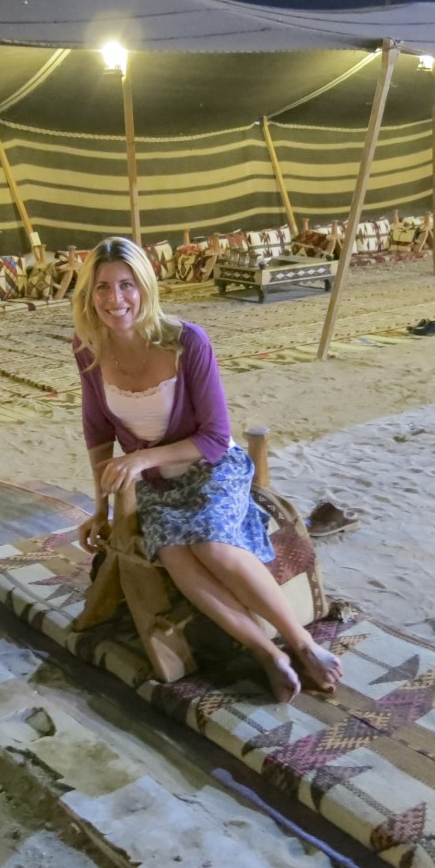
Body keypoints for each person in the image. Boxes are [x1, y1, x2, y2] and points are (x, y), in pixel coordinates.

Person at [72, 237, 342, 703]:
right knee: (177, 558)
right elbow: (97, 433)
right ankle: (267, 654)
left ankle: (303, 643)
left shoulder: (187, 341)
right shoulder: (88, 347)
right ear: (88, 295)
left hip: (212, 465)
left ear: (145, 286)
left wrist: (142, 458)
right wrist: (101, 510)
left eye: (126, 285)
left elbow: (215, 438)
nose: (115, 300)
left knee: (210, 544)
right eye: (102, 288)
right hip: (156, 483)